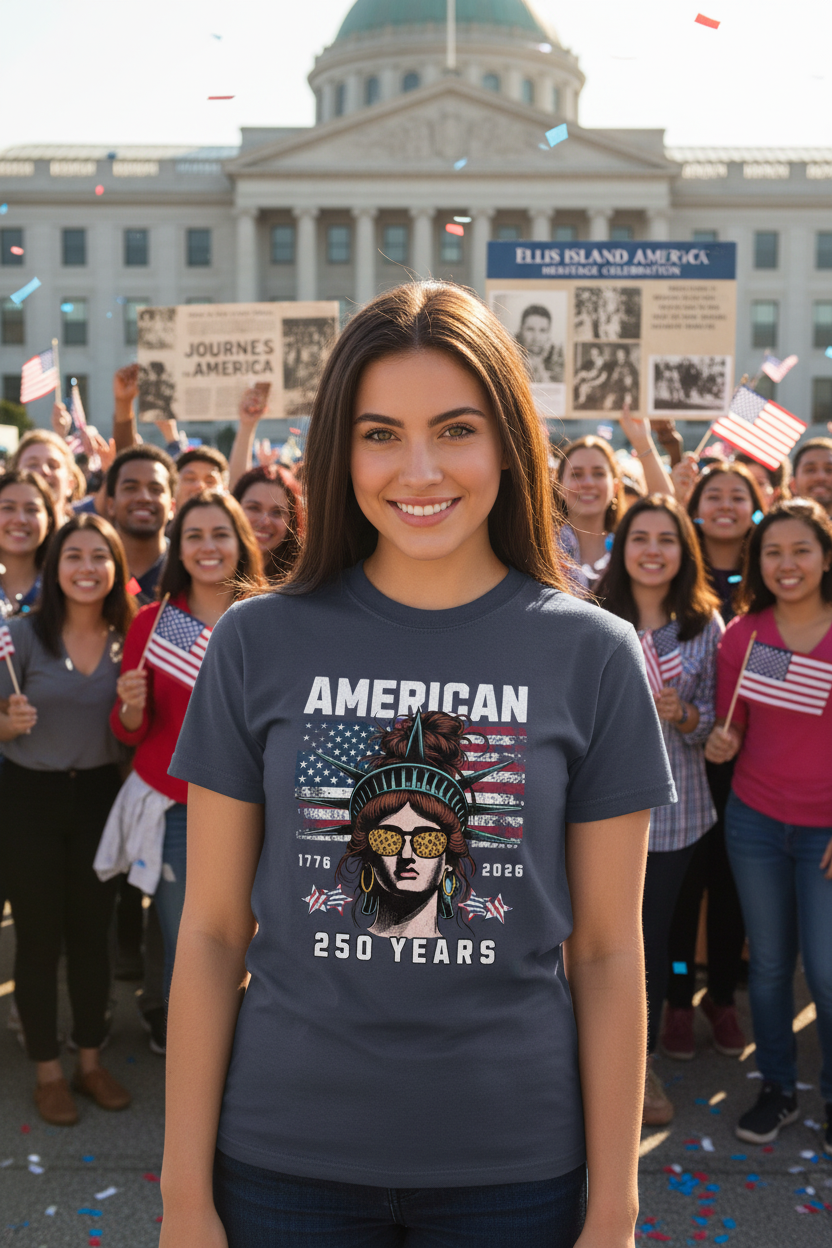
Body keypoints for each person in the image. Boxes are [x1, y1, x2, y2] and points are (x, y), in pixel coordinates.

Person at [159, 282, 676, 1248]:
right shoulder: (253, 641)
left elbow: (607, 951)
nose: (420, 467)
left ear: (511, 442)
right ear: (337, 449)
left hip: (516, 1170)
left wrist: (617, 1208)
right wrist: (182, 1199)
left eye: (455, 428)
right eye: (380, 433)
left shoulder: (595, 655)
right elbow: (214, 932)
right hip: (282, 1164)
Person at [705, 499, 832, 1153]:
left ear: (826, 557)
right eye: (773, 552)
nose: (786, 564)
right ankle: (778, 1087)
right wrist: (722, 743)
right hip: (755, 823)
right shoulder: (745, 636)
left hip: (825, 833)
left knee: (829, 971)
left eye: (801, 550)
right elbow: (737, 724)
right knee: (772, 966)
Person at [0, 515, 135, 1126]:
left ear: (115, 568)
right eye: (73, 555)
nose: (86, 567)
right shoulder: (21, 637)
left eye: (99, 556)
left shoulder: (127, 638)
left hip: (102, 796)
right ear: (54, 568)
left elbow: (139, 728)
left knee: (92, 935)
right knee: (37, 938)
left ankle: (88, 1060)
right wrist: (6, 725)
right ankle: (48, 1071)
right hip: (30, 796)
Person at [111, 492, 264, 1023]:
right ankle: (188, 1044)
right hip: (178, 806)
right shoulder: (153, 623)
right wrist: (132, 708)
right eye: (194, 536)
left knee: (254, 934)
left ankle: (241, 1040)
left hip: (259, 807)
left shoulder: (270, 619)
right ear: (178, 548)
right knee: (191, 937)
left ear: (240, 542)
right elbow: (129, 733)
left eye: (220, 534)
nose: (207, 547)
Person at [597, 495, 723, 1126]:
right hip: (596, 815)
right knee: (588, 937)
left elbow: (721, 730)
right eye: (639, 536)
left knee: (642, 943)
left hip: (675, 818)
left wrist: (690, 716)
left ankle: (637, 1066)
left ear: (684, 551)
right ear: (622, 548)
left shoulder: (704, 627)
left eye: (667, 539)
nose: (652, 549)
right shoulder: (593, 617)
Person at [661, 462, 766, 1061]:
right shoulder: (675, 569)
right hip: (684, 764)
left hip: (748, 767)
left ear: (757, 506)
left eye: (739, 496)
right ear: (694, 506)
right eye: (713, 494)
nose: (726, 504)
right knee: (681, 891)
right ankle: (678, 996)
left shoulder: (771, 576)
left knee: (731, 890)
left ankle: (720, 995)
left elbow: (775, 672)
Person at [557, 410, 673, 592]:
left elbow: (666, 507)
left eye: (598, 473)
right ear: (560, 486)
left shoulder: (631, 545)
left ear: (616, 487)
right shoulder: (541, 550)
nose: (587, 483)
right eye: (576, 474)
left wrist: (642, 442)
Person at [105, 446, 177, 605]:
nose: (144, 497)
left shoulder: (186, 567)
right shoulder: (94, 567)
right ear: (110, 505)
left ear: (172, 507)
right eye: (130, 488)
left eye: (155, 489)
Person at [231, 463, 303, 581]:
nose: (265, 521)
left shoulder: (304, 582)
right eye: (253, 508)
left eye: (277, 512)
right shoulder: (215, 572)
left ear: (292, 520)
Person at [0, 471, 57, 619]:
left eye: (32, 510)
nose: (20, 520)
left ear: (49, 522)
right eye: (8, 508)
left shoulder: (61, 588)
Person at [10, 430, 84, 527]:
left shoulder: (82, 537)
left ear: (70, 484)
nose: (44, 471)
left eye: (52, 465)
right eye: (32, 465)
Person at [516, 304, 563, 383]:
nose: (536, 338)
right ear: (521, 330)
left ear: (549, 334)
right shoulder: (507, 354)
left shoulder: (558, 359)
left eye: (542, 331)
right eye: (530, 329)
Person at [791, 437, 832, 516]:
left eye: (829, 470)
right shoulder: (777, 526)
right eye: (810, 470)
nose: (820, 477)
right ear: (793, 484)